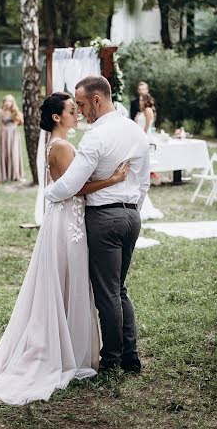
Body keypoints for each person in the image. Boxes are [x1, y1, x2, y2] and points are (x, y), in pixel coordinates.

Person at [0, 92, 131, 406]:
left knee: (69, 285)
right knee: (69, 285)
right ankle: (67, 353)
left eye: (78, 110)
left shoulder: (57, 144)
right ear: (58, 117)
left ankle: (71, 349)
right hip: (68, 227)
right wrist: (112, 179)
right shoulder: (61, 146)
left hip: (68, 221)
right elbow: (75, 187)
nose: (77, 115)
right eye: (72, 111)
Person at [45, 76, 150, 373]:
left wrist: (48, 192)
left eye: (80, 104)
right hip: (132, 217)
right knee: (119, 289)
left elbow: (71, 184)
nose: (80, 111)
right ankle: (130, 357)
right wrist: (131, 209)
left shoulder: (96, 137)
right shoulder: (135, 131)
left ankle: (113, 358)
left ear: (96, 100)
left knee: (107, 292)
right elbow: (143, 182)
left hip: (104, 219)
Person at [0, 94, 25, 183]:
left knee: (14, 153)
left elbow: (21, 122)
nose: (7, 103)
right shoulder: (2, 112)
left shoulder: (15, 112)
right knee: (5, 153)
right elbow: (0, 126)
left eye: (10, 101)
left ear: (13, 103)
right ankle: (5, 175)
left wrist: (16, 115)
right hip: (5, 135)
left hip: (13, 135)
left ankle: (15, 175)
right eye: (6, 101)